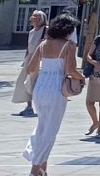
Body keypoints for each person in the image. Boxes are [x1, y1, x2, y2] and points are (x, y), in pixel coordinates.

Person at [22, 14, 85, 175]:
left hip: (41, 85)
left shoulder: (44, 44)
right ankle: (35, 168)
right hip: (56, 87)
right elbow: (71, 70)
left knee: (42, 125)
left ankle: (42, 167)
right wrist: (82, 77)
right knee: (50, 130)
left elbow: (31, 68)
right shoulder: (68, 46)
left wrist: (47, 69)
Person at [14, 10, 48, 117]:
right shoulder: (31, 32)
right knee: (24, 82)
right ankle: (29, 106)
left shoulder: (46, 30)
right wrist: (25, 60)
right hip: (30, 59)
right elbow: (28, 47)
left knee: (35, 84)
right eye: (33, 19)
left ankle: (40, 107)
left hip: (40, 60)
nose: (35, 21)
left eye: (37, 19)